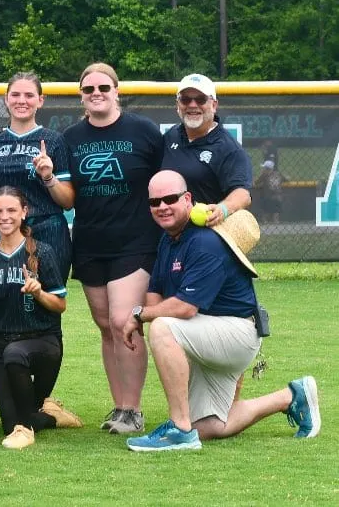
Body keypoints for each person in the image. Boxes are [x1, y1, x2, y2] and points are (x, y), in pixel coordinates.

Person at [122, 170, 320, 451]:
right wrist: (146, 314)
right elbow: (156, 291)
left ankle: (179, 430)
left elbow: (185, 308)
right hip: (211, 334)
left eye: (170, 199)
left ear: (187, 199)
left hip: (236, 334)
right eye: (155, 202)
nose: (162, 207)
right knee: (212, 426)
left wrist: (138, 315)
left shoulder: (205, 241)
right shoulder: (169, 239)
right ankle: (290, 396)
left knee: (163, 326)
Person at [63, 62, 164, 435]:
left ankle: (134, 410)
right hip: (90, 242)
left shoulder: (144, 131)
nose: (96, 94)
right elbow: (67, 193)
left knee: (126, 322)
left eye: (103, 88)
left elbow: (165, 180)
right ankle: (119, 405)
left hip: (135, 241)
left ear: (116, 90)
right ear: (82, 96)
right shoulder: (71, 137)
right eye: (88, 90)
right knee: (106, 327)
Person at [0, 187, 82, 450]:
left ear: (24, 212)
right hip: (2, 343)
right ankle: (50, 415)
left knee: (16, 356)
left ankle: (28, 425)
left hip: (43, 342)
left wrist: (39, 292)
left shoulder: (42, 252)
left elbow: (60, 305)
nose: (4, 216)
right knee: (11, 425)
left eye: (11, 210)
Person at [0, 72, 75, 281]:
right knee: (7, 295)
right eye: (15, 95)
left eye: (29, 95)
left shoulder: (54, 140)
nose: (21, 101)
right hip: (7, 228)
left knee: (49, 300)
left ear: (40, 101)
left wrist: (49, 177)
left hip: (48, 228)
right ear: (6, 99)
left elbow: (67, 202)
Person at [161, 73, 252, 227]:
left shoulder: (229, 148)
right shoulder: (171, 136)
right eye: (185, 99)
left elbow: (243, 194)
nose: (192, 105)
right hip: (169, 236)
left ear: (214, 105)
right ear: (177, 104)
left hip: (207, 236)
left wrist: (223, 209)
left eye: (201, 99)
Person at [253, 158, 287, 224]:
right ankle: (276, 221)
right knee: (276, 209)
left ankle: (265, 220)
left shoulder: (264, 175)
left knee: (265, 208)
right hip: (278, 196)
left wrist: (255, 178)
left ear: (268, 169)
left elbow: (256, 182)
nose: (263, 169)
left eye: (264, 168)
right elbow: (286, 179)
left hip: (268, 196)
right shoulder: (278, 174)